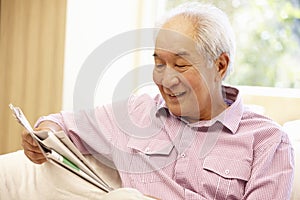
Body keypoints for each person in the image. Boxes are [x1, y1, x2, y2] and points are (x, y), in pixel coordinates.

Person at [21, 2, 294, 199]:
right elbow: (61, 124)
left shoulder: (268, 140)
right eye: (159, 63)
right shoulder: (138, 111)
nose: (166, 79)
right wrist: (41, 134)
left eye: (180, 64)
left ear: (220, 65)